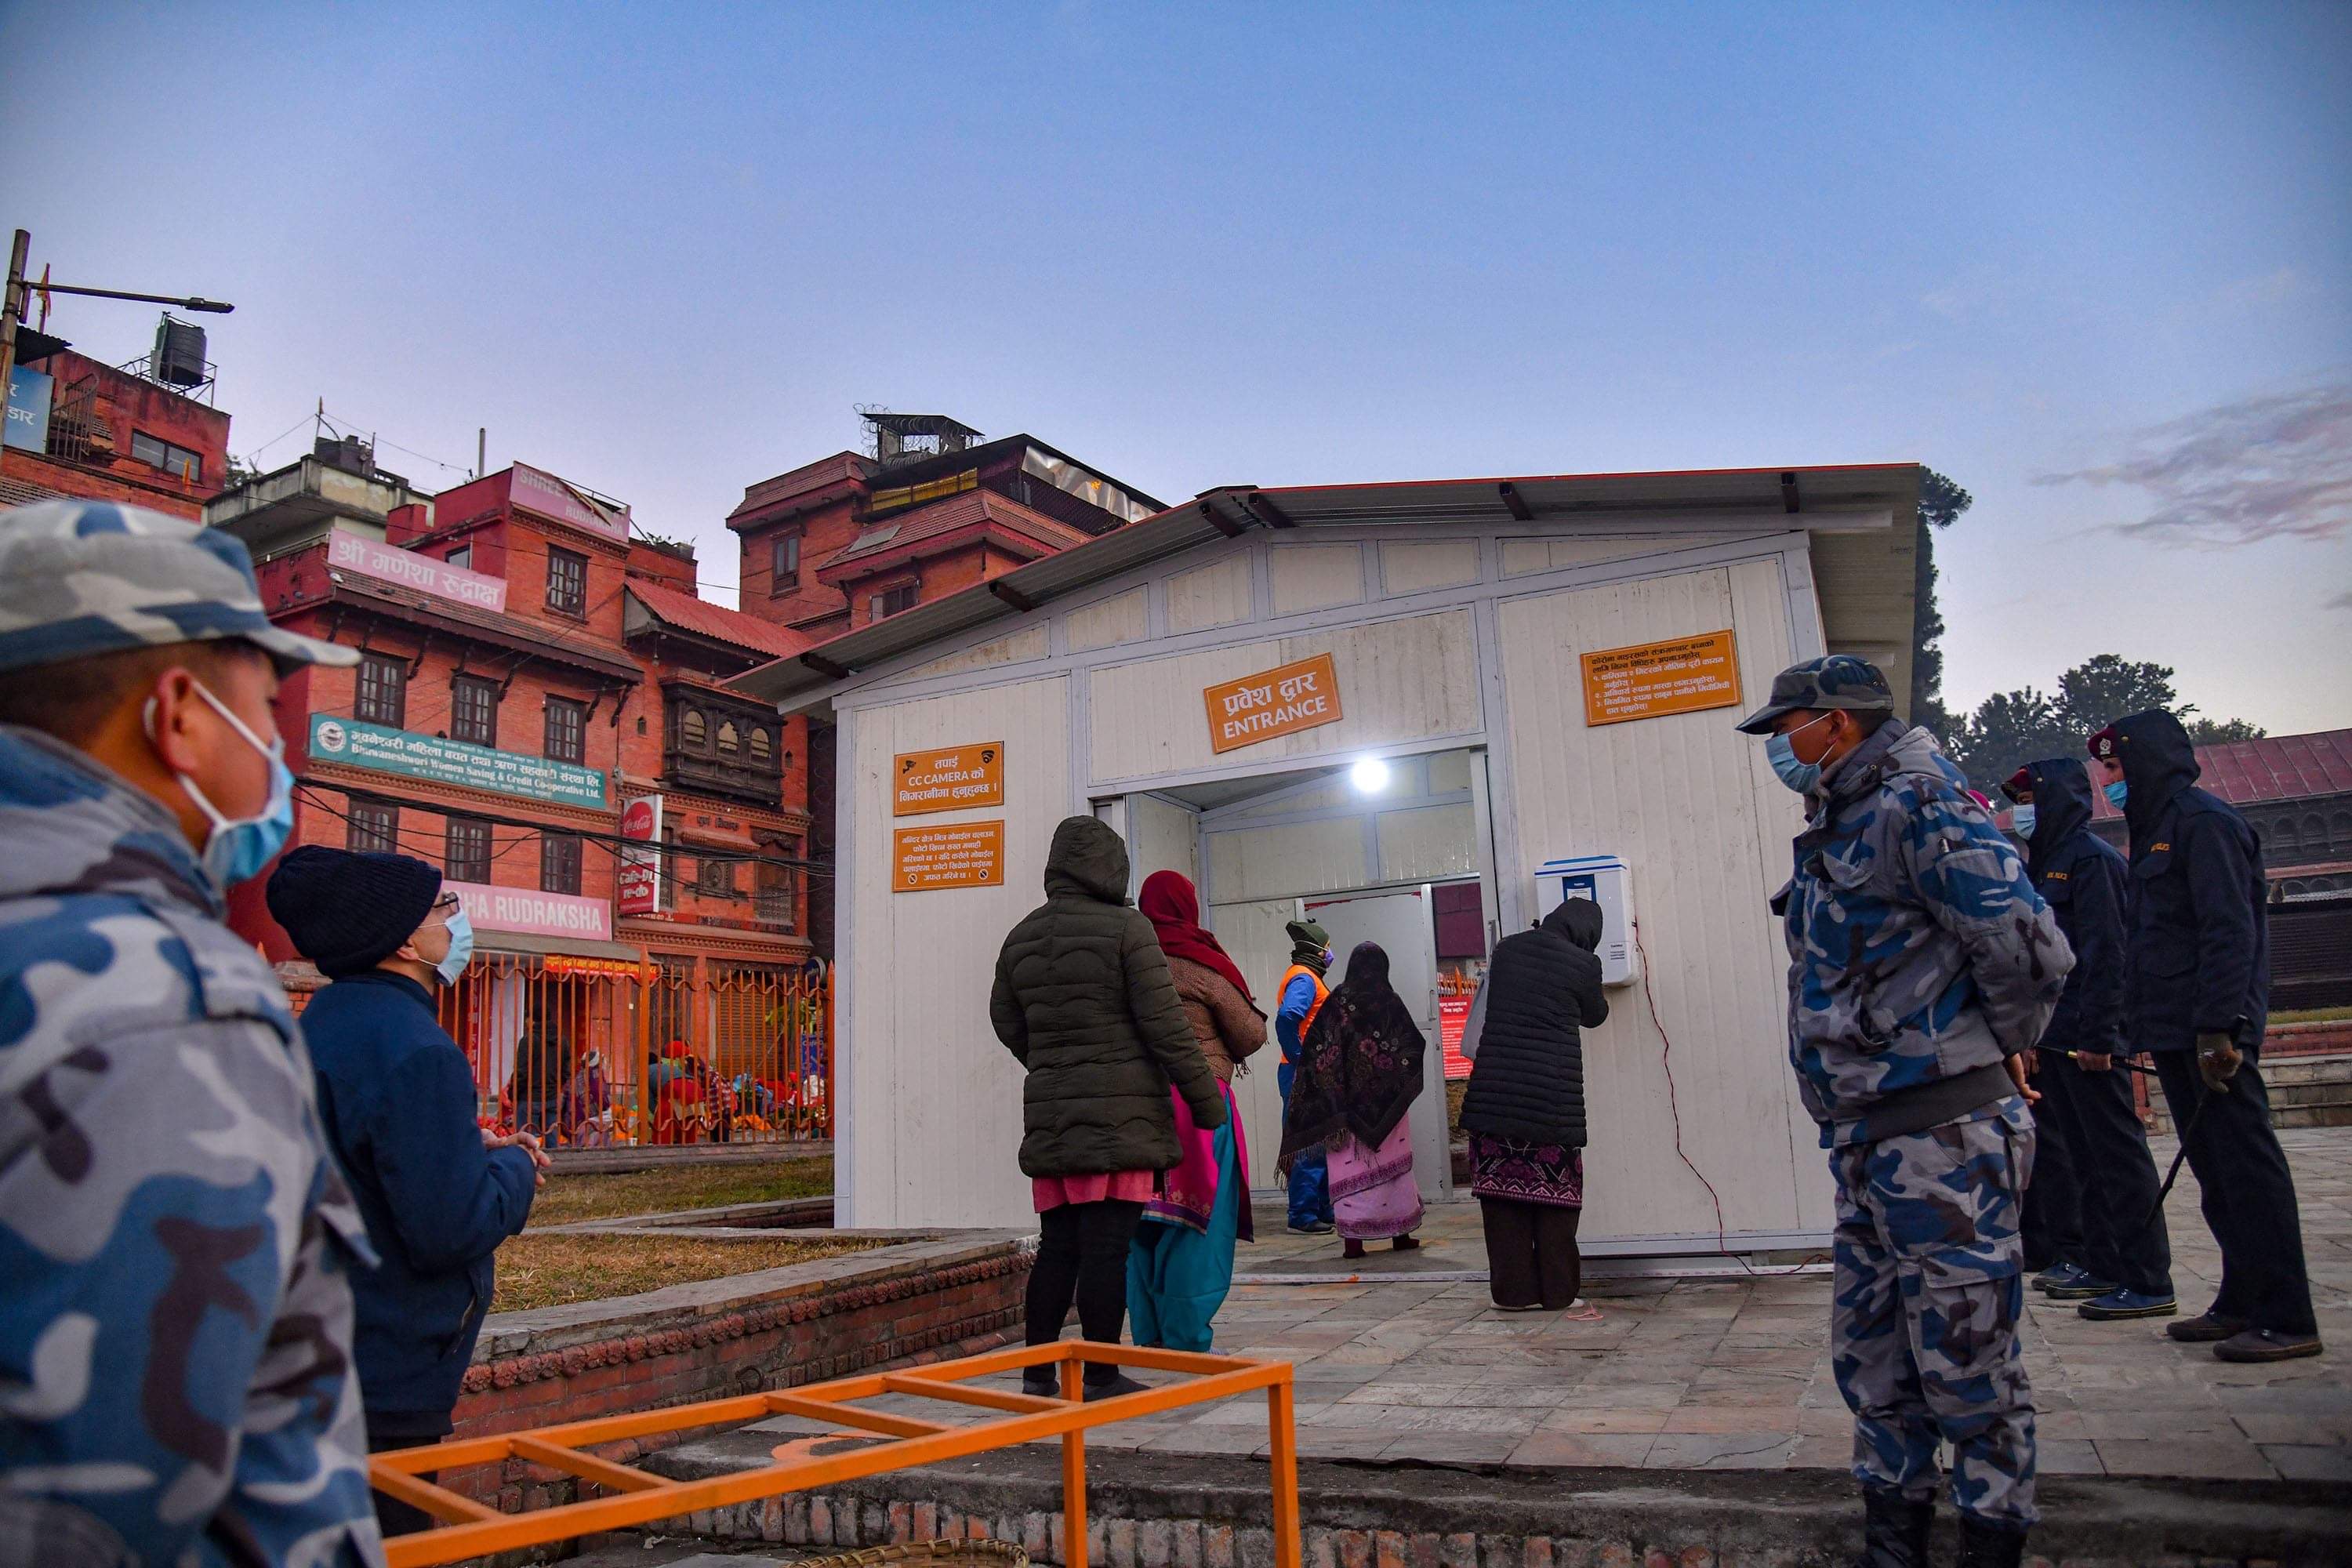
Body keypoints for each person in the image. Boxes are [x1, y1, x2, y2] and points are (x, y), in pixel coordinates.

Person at [0, 500, 385, 1566]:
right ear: (178, 716)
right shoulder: (162, 995)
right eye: (265, 703)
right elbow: (105, 1503)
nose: (274, 744)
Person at [1737, 654, 2070, 1568]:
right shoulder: (1844, 814)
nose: (1780, 747)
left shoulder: (1921, 803)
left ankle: (1992, 1544)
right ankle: (1896, 1547)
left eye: (1787, 727)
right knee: (1877, 1371)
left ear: (1836, 722)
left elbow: (2031, 950)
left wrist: (1991, 1045)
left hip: (1944, 1135)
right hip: (1868, 1139)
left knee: (1970, 1374)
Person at [265, 846, 550, 1535]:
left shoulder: (323, 1024)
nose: (456, 921)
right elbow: (450, 1227)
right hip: (390, 1361)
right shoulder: (418, 1049)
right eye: (441, 908)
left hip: (317, 1342)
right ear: (404, 941)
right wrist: (515, 1171)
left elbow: (360, 1155)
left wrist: (458, 1148)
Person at [2091, 713, 2321, 1362]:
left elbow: (2229, 931)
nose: (2111, 783)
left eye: (2116, 769)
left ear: (2148, 763)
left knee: (2249, 1171)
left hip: (2211, 1032)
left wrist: (2221, 1026)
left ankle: (2288, 1316)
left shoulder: (2204, 825)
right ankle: (2242, 1299)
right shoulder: (2159, 831)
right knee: (2217, 1175)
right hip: (2174, 1027)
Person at [990, 816, 1228, 1399]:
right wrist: (1205, 1102)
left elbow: (1005, 1020)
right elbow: (1166, 1025)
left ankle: (1038, 1374)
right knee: (1107, 1248)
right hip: (1122, 1120)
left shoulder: (1021, 937)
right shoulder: (1128, 929)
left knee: (1058, 1247)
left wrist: (1052, 1065)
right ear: (1110, 866)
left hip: (1053, 1120)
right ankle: (1099, 1372)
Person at [2004, 760, 2176, 1319]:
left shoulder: (2091, 861)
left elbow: (2108, 955)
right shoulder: (2045, 865)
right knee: (2084, 1159)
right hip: (2057, 1036)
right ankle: (2103, 1264)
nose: (2023, 807)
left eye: (2030, 796)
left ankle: (2147, 1276)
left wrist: (2103, 1033)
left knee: (2118, 1158)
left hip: (2090, 1038)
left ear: (2057, 798)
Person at [1127, 869, 1267, 1352]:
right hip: (1198, 1109)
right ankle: (1186, 1339)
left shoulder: (1128, 958)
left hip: (1134, 1107)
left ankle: (1149, 1335)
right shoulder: (1199, 962)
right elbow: (1250, 1034)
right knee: (1197, 1224)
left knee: (1140, 1223)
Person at [1457, 898, 1609, 1311]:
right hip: (1550, 1104)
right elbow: (1595, 1015)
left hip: (1495, 1099)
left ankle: (1512, 1294)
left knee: (1503, 1203)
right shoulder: (1584, 965)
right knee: (1556, 1203)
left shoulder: (1508, 948)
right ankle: (1559, 1295)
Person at [1278, 942, 1428, 1260]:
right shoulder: (1390, 1001)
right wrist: (1391, 1082)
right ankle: (1400, 1236)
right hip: (1389, 1107)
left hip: (1345, 1111)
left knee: (1350, 1171)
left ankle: (1353, 1244)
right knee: (1395, 1173)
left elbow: (1320, 1050)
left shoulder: (1338, 1001)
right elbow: (1413, 1043)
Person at [1274, 920, 1338, 1235]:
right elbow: (1287, 1017)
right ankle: (1301, 1214)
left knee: (1320, 1142)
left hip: (1311, 1072)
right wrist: (1302, 1060)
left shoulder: (1309, 976)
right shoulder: (1304, 978)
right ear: (1316, 950)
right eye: (1327, 949)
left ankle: (1322, 1209)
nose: (1330, 954)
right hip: (1303, 1073)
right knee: (1308, 1144)